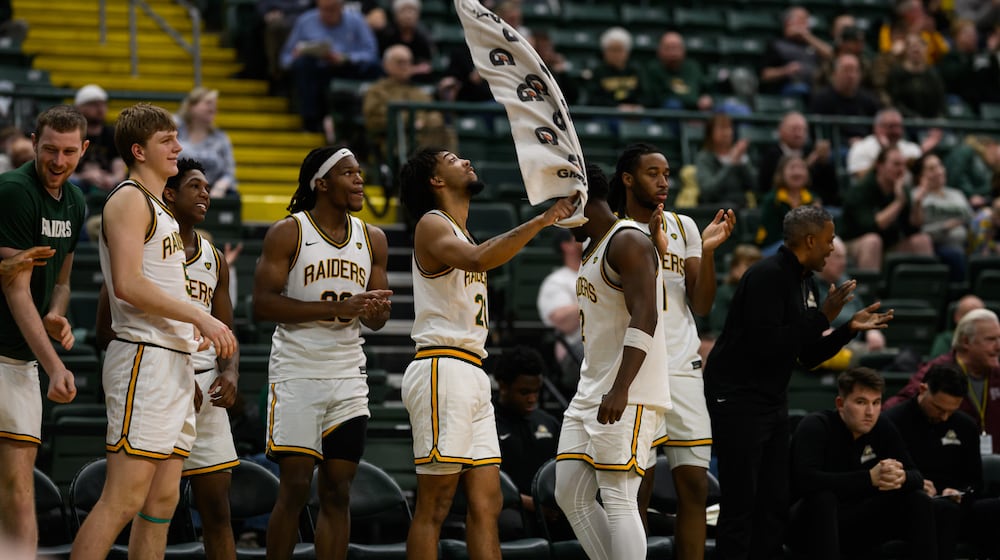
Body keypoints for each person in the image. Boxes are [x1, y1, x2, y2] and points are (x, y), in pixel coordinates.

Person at [70, 103, 237, 560]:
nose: (179, 148)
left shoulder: (162, 210)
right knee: (122, 499)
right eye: (168, 140)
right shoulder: (127, 198)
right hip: (142, 357)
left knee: (162, 503)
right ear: (139, 150)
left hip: (174, 360)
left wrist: (193, 330)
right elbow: (127, 284)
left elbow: (158, 284)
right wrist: (198, 316)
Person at [397, 148, 576, 559]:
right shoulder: (431, 223)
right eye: (451, 158)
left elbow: (480, 253)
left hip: (473, 371)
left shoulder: (464, 231)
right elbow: (480, 259)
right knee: (435, 505)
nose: (465, 160)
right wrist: (544, 218)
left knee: (487, 503)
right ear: (435, 181)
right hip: (442, 367)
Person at [704, 205, 893, 560]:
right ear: (809, 239)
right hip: (738, 399)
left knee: (775, 501)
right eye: (829, 239)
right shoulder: (766, 276)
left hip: (772, 400)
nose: (833, 247)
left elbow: (805, 354)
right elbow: (769, 345)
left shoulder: (806, 281)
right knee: (741, 504)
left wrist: (847, 329)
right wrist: (824, 316)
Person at [253, 146, 391, 560]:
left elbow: (376, 322)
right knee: (294, 489)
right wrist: (336, 308)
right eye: (349, 173)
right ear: (322, 182)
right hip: (297, 372)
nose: (359, 180)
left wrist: (377, 313)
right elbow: (262, 304)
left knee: (338, 490)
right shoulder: (289, 231)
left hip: (348, 374)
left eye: (360, 172)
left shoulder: (374, 238)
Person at [613, 144, 736, 560]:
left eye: (666, 173)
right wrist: (654, 248)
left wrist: (710, 250)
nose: (664, 181)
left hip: (683, 366)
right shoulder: (615, 231)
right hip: (639, 368)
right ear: (628, 179)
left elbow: (700, 305)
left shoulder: (684, 226)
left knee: (695, 486)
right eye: (652, 173)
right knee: (639, 485)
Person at [555, 163, 670, 560]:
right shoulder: (592, 247)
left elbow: (647, 315)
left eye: (558, 202)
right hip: (592, 387)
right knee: (568, 490)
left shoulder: (628, 241)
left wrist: (621, 388)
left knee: (619, 497)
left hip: (629, 389)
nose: (553, 214)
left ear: (579, 198)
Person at [0, 105, 87, 555]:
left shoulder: (76, 202)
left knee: (18, 488)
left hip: (21, 360)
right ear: (34, 142)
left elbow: (65, 280)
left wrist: (56, 311)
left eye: (69, 152)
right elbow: (15, 287)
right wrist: (56, 366)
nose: (58, 161)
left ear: (84, 150)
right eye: (50, 149)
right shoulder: (15, 190)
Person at [787, 368, 937, 560]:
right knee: (823, 499)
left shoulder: (882, 426)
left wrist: (902, 477)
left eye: (876, 403)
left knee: (918, 498)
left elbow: (916, 475)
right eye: (861, 402)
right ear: (841, 404)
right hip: (811, 523)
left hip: (859, 522)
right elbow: (805, 481)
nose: (870, 412)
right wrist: (869, 478)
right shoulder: (816, 425)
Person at [884, 363, 1000, 559]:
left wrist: (961, 492)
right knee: (943, 511)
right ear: (923, 389)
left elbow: (974, 481)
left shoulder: (965, 426)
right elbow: (885, 477)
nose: (945, 417)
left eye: (951, 411)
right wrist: (915, 486)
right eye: (939, 408)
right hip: (910, 505)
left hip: (955, 502)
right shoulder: (892, 422)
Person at [885, 308, 1000, 453]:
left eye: (999, 338)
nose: (998, 346)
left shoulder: (997, 373)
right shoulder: (938, 371)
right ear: (965, 341)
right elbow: (897, 407)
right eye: (991, 339)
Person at [280, 0, 380, 136]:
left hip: (346, 69)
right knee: (303, 65)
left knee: (373, 68)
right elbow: (285, 58)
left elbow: (371, 53)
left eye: (332, 9)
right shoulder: (305, 20)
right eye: (323, 9)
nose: (327, 14)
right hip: (315, 70)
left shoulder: (356, 20)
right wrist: (297, 55)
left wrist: (346, 58)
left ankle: (354, 125)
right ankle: (310, 123)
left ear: (341, 8)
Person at [840, 146, 935, 272]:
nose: (901, 170)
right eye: (896, 164)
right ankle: (867, 290)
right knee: (873, 241)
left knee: (922, 240)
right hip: (852, 243)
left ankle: (925, 289)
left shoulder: (901, 190)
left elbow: (914, 228)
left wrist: (917, 203)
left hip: (887, 246)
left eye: (903, 165)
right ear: (880, 166)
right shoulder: (861, 190)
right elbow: (871, 226)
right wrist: (899, 202)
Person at [493, 345, 561, 514]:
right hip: (506, 510)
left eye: (536, 392)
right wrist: (533, 506)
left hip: (549, 513)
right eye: (524, 392)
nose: (532, 399)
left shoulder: (549, 423)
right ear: (503, 386)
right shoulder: (486, 423)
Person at [362, 44, 452, 162]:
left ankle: (450, 173)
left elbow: (434, 114)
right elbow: (373, 121)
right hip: (395, 140)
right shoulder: (377, 91)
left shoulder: (419, 92)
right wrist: (411, 120)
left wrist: (422, 121)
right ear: (386, 65)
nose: (405, 66)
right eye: (400, 62)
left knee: (445, 131)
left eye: (408, 62)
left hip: (425, 137)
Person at [912, 153, 974, 281]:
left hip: (967, 243)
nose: (939, 171)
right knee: (956, 254)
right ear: (920, 176)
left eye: (940, 166)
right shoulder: (917, 196)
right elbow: (917, 231)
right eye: (931, 169)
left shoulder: (957, 194)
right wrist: (944, 227)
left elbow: (971, 219)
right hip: (938, 246)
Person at [536, 228, 583, 392]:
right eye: (578, 236)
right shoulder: (556, 281)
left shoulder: (596, 274)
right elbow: (563, 322)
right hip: (573, 352)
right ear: (566, 246)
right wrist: (596, 300)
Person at [755, 112, 837, 205]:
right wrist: (807, 164)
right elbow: (767, 184)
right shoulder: (771, 154)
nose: (798, 134)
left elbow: (830, 189)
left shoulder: (812, 152)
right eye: (794, 129)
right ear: (781, 131)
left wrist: (824, 162)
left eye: (802, 130)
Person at [176, 88, 238, 199]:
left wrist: (220, 188)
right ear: (191, 107)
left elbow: (229, 173)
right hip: (177, 192)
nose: (213, 107)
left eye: (215, 104)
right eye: (208, 103)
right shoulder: (176, 132)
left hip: (212, 194)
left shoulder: (220, 138)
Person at [759, 7, 832, 97]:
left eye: (807, 21)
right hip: (788, 90)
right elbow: (765, 75)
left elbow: (832, 56)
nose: (806, 25)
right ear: (788, 22)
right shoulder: (776, 45)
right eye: (801, 20)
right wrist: (785, 71)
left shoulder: (813, 44)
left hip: (816, 89)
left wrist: (806, 36)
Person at [846, 108, 938, 179]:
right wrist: (886, 153)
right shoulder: (861, 148)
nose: (896, 131)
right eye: (891, 127)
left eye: (899, 126)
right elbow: (860, 178)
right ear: (877, 127)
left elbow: (921, 177)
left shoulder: (912, 149)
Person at [810, 54, 882, 143]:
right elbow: (817, 133)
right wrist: (846, 141)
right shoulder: (822, 99)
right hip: (836, 148)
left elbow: (878, 130)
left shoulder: (869, 100)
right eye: (846, 70)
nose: (851, 75)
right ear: (834, 74)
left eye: (854, 71)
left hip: (865, 147)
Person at [755, 155, 818, 254]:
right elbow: (772, 235)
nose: (797, 173)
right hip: (774, 248)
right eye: (792, 168)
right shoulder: (772, 200)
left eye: (801, 168)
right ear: (782, 173)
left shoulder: (812, 199)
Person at [694, 113, 756, 209]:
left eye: (729, 128)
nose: (727, 133)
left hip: (740, 208)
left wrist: (743, 162)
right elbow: (708, 191)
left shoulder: (739, 154)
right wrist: (730, 163)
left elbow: (755, 186)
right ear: (710, 133)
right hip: (715, 210)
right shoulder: (704, 157)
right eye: (722, 128)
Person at [72, 84, 126, 194]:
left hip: (106, 184)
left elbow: (119, 167)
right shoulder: (71, 133)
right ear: (80, 107)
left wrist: (112, 179)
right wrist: (83, 177)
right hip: (76, 183)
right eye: (93, 104)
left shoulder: (113, 134)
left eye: (103, 104)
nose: (100, 108)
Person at [584, 27, 648, 111]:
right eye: (612, 50)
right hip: (608, 115)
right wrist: (616, 107)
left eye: (619, 50)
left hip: (634, 114)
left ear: (627, 52)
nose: (616, 55)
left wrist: (636, 107)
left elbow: (646, 95)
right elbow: (594, 99)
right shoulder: (598, 72)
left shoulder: (636, 70)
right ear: (604, 52)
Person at [644, 32, 713, 111]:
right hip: (666, 114)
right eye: (669, 48)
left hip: (697, 111)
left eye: (676, 48)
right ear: (660, 51)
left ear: (683, 50)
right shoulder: (653, 69)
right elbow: (657, 99)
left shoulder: (692, 67)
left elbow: (706, 88)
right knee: (673, 105)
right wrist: (694, 102)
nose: (673, 53)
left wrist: (707, 98)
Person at [886, 34, 946, 119]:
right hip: (906, 122)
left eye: (920, 45)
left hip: (931, 122)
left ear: (926, 49)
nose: (916, 49)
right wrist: (912, 117)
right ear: (906, 50)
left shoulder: (933, 74)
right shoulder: (897, 73)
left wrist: (938, 120)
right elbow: (895, 102)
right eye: (912, 46)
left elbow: (940, 101)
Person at [708, 244, 761, 336]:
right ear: (734, 267)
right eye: (748, 266)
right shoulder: (724, 293)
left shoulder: (763, 293)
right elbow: (719, 328)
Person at [929, 294, 984, 359]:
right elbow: (936, 364)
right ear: (957, 317)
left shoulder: (991, 339)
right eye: (968, 315)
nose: (973, 321)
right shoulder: (946, 339)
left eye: (979, 317)